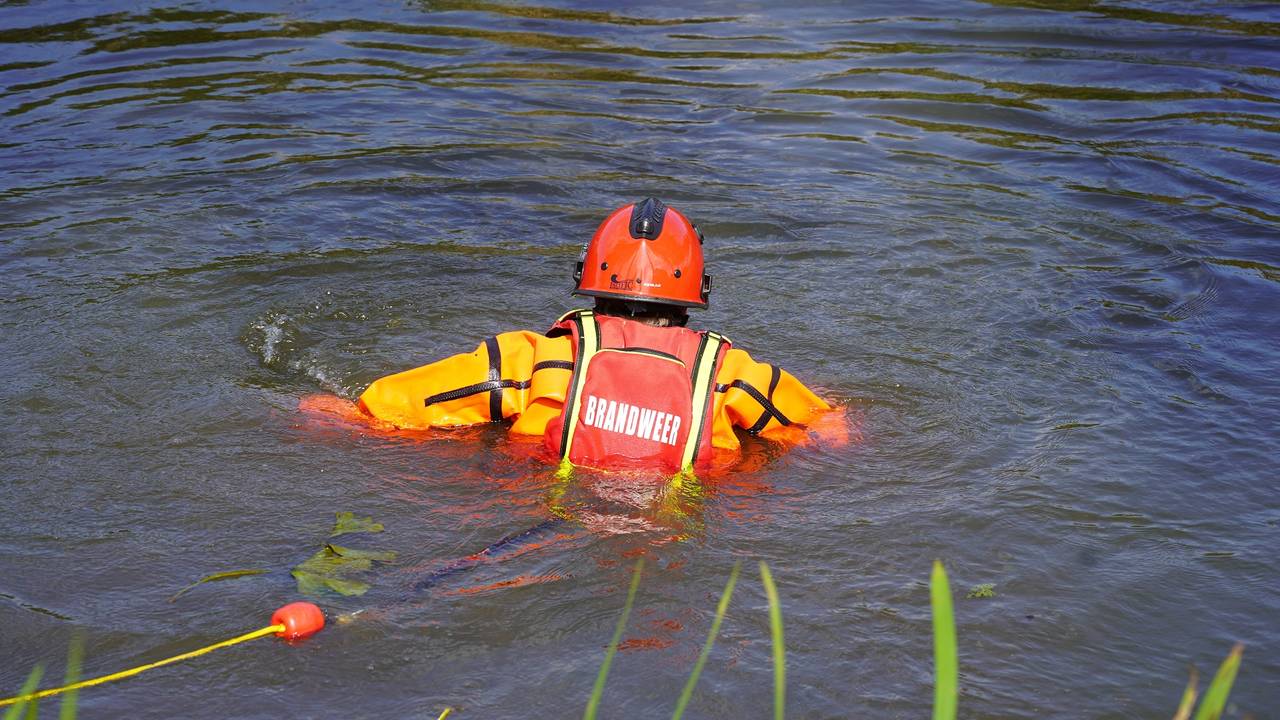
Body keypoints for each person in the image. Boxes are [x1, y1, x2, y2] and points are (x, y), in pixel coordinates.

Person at [353, 198, 843, 473]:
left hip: (546, 520)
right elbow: (830, 433)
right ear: (698, 290)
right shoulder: (729, 375)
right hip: (681, 533)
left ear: (586, 277)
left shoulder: (537, 359)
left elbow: (384, 406)